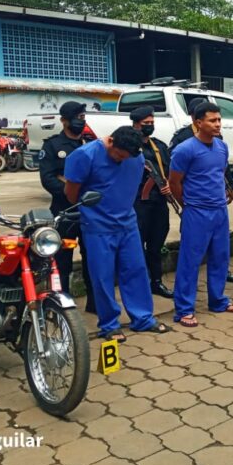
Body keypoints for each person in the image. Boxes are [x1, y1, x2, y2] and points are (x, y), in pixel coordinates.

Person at [64, 126, 169, 341]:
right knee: (102, 277)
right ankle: (110, 325)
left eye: (126, 157)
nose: (121, 160)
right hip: (98, 226)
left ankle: (143, 318)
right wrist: (92, 212)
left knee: (136, 271)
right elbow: (71, 194)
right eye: (118, 155)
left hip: (127, 224)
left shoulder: (136, 157)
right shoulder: (85, 156)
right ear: (110, 141)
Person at [169, 102, 233, 327]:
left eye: (219, 120)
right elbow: (174, 183)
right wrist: (188, 205)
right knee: (190, 262)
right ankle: (183, 309)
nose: (218, 124)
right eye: (212, 120)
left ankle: (218, 300)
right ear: (198, 122)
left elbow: (219, 175)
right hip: (197, 213)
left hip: (220, 211)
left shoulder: (221, 147)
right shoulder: (185, 150)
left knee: (220, 257)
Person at [39, 101, 95, 313]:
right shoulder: (53, 146)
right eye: (77, 118)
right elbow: (48, 179)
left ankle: (95, 303)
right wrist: (74, 191)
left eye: (83, 117)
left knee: (93, 259)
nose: (82, 122)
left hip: (89, 212)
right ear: (64, 120)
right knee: (62, 262)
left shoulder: (89, 143)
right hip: (64, 212)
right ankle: (63, 304)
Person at [132, 106, 174, 299]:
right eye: (145, 124)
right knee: (137, 247)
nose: (149, 126)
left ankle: (156, 282)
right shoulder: (128, 146)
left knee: (156, 245)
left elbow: (169, 171)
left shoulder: (159, 146)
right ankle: (139, 284)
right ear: (135, 124)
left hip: (158, 203)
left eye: (151, 123)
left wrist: (168, 186)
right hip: (138, 204)